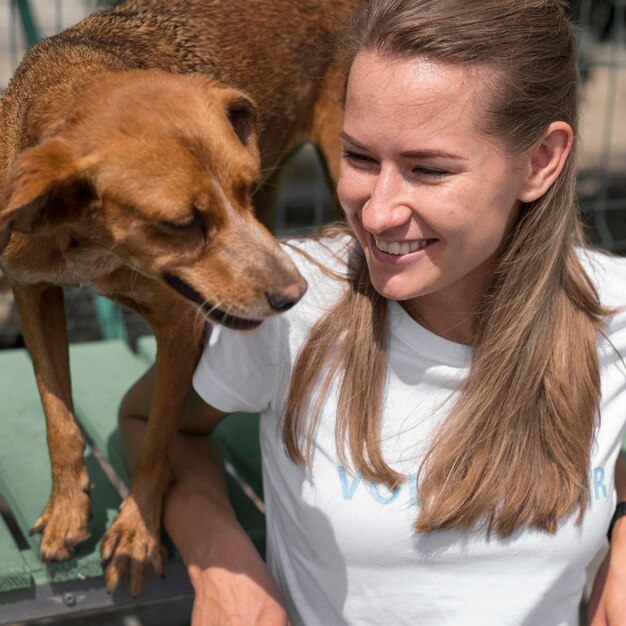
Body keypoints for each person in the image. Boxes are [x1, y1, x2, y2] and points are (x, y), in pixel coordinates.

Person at [119, 0, 626, 624]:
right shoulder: (294, 306)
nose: (378, 211)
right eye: (359, 157)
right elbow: (153, 421)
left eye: (428, 169)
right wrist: (220, 557)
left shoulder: (614, 312)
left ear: (541, 161)